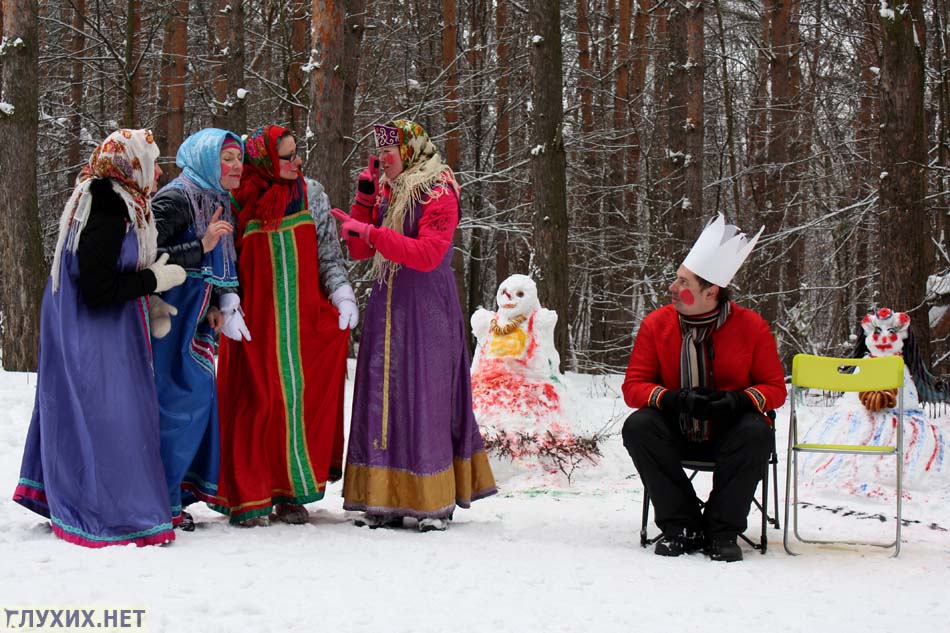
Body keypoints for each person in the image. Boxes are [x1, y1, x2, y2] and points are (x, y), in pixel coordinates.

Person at [13, 129, 187, 547]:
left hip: (99, 322)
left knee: (100, 406)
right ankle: (108, 509)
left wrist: (150, 293)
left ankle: (76, 493)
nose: (159, 171)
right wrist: (152, 280)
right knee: (107, 410)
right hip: (89, 328)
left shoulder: (121, 199)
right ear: (130, 164)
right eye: (153, 161)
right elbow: (97, 289)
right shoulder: (108, 207)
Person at [333, 119, 497, 532]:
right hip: (388, 307)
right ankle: (383, 497)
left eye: (388, 154)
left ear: (409, 151)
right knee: (384, 397)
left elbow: (427, 254)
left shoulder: (438, 189)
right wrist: (365, 199)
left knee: (424, 394)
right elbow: (356, 248)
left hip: (426, 311)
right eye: (379, 154)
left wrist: (372, 233)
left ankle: (433, 499)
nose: (381, 161)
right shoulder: (391, 190)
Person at [212, 124, 357, 527]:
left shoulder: (312, 195)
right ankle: (250, 494)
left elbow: (327, 254)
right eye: (287, 155)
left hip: (302, 326)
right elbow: (225, 261)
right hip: (253, 327)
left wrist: (342, 291)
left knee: (295, 405)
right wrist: (226, 302)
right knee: (256, 405)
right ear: (264, 159)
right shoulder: (237, 200)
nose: (297, 161)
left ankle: (291, 493)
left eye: (298, 152)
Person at [621, 214, 785, 562]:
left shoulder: (752, 327)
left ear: (710, 292)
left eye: (683, 282)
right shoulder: (657, 324)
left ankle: (722, 529)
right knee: (639, 426)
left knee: (757, 432)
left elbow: (775, 388)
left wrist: (739, 400)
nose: (671, 287)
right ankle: (682, 524)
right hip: (676, 428)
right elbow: (634, 386)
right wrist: (672, 399)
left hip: (730, 433)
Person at [150, 128, 247, 532]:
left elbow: (214, 265)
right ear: (208, 160)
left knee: (197, 406)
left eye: (239, 158)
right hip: (168, 323)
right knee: (176, 408)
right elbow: (144, 254)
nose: (237, 167)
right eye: (227, 159)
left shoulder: (217, 197)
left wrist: (212, 304)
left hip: (195, 318)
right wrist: (202, 245)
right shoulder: (175, 197)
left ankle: (175, 494)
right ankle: (161, 499)